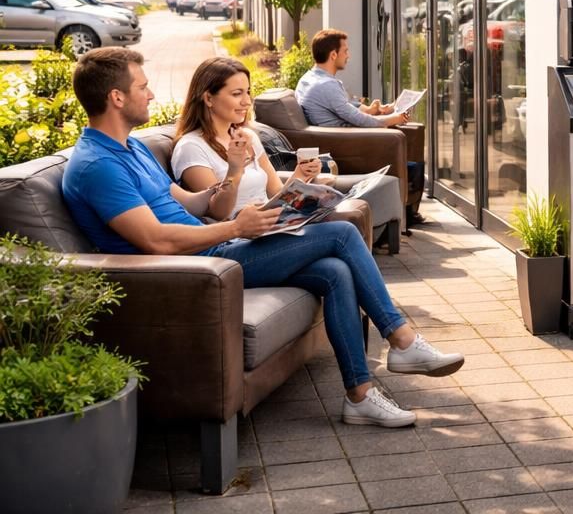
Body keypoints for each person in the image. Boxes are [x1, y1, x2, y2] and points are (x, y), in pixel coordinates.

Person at [61, 47, 464, 429]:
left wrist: (234, 180)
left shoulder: (130, 148)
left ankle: (359, 396)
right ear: (116, 97)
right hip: (197, 268)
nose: (151, 94)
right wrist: (237, 226)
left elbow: (189, 201)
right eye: (142, 87)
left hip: (212, 247)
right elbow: (157, 242)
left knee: (334, 271)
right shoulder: (97, 165)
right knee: (340, 234)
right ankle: (401, 338)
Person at [169, 56, 377, 245]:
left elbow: (276, 193)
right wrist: (235, 170)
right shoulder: (191, 147)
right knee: (344, 233)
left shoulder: (247, 136)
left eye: (248, 92)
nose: (247, 101)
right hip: (238, 239)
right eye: (236, 94)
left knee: (335, 269)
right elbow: (217, 213)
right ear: (208, 98)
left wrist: (300, 176)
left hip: (270, 229)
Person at [296, 28, 427, 229]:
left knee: (412, 154)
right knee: (412, 163)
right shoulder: (326, 86)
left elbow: (345, 107)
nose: (348, 56)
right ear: (333, 55)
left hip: (344, 138)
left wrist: (373, 109)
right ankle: (406, 214)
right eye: (345, 51)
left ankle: (406, 212)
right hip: (347, 145)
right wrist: (395, 118)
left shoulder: (312, 78)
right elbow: (359, 120)